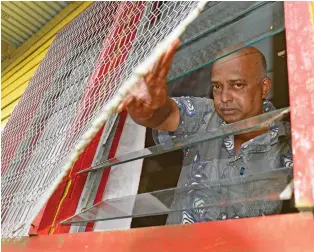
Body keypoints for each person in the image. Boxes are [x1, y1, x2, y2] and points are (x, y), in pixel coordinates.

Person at [116, 39, 293, 224]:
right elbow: (165, 115)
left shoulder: (290, 144)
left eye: (237, 85)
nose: (224, 98)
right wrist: (149, 109)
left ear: (264, 87)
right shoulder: (204, 116)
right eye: (217, 87)